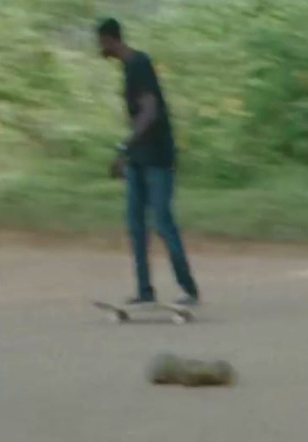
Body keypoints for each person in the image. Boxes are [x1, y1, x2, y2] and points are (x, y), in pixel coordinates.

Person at [97, 18, 199, 307]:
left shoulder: (139, 64)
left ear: (109, 40)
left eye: (101, 43)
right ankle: (145, 291)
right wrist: (127, 155)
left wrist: (123, 147)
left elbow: (150, 113)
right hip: (139, 160)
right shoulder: (130, 68)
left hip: (157, 158)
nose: (100, 50)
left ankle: (189, 289)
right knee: (135, 224)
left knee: (163, 223)